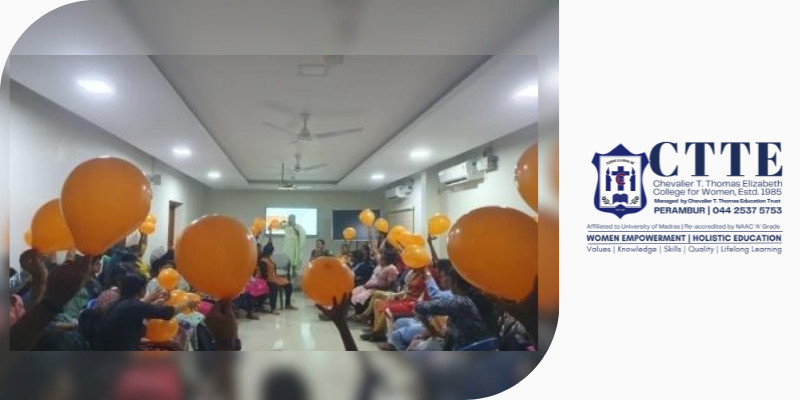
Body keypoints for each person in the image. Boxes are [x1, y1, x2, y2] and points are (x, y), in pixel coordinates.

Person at [413, 264, 497, 351]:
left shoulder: (460, 303)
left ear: (455, 284)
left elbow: (422, 307)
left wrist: (418, 307)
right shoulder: (482, 297)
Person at [96, 274, 178, 350]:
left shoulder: (118, 304)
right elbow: (166, 313)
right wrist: (183, 305)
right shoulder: (134, 306)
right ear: (142, 290)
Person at [350, 249, 400, 314]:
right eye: (382, 255)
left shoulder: (392, 269)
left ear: (389, 259)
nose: (382, 257)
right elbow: (375, 252)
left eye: (384, 257)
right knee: (353, 292)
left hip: (377, 288)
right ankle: (353, 312)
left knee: (361, 297)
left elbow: (389, 285)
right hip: (368, 285)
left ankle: (360, 314)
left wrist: (373, 285)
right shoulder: (380, 264)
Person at [259, 229, 295, 312]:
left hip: (274, 277)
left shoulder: (269, 259)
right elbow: (264, 275)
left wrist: (270, 233)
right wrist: (271, 280)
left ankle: (287, 304)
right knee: (274, 287)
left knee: (288, 284)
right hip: (267, 280)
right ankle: (273, 308)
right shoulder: (263, 260)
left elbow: (270, 243)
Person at [281, 214, 306, 278]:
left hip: (295, 245)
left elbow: (299, 234)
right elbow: (280, 225)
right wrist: (283, 222)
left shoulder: (298, 226)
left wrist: (293, 227)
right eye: (289, 218)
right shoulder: (286, 226)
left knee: (294, 258)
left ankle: (294, 272)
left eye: (292, 218)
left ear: (294, 219)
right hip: (288, 245)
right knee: (287, 257)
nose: (290, 219)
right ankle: (287, 272)